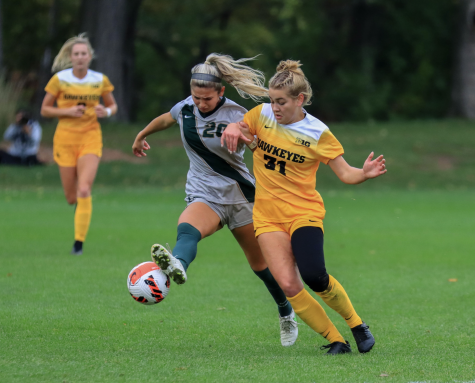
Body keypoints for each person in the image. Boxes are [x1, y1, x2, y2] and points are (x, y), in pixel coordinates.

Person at [132, 53, 299, 347]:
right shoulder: (185, 108)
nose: (200, 103)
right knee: (187, 227)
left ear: (221, 92)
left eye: (206, 99)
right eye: (196, 97)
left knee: (260, 266)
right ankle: (178, 265)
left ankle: (285, 312)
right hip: (204, 192)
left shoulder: (237, 114)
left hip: (240, 195)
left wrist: (252, 141)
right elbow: (165, 119)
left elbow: (262, 141)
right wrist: (142, 134)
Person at [221, 60, 387, 355]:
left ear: (299, 100)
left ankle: (357, 324)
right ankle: (337, 340)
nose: (275, 107)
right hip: (267, 216)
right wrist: (234, 128)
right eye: (272, 100)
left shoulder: (318, 132)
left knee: (314, 276)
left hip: (303, 212)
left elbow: (346, 174)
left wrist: (365, 173)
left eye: (281, 101)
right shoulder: (262, 115)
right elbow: (240, 125)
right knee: (288, 283)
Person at [40, 33, 117, 256]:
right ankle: (78, 210)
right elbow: (45, 109)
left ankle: (78, 244)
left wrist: (107, 111)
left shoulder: (100, 80)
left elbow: (113, 105)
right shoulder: (59, 79)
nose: (80, 57)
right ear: (71, 57)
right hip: (64, 139)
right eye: (77, 54)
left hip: (90, 137)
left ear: (90, 56)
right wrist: (67, 111)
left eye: (84, 53)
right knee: (71, 197)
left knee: (84, 189)